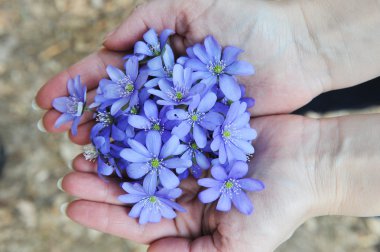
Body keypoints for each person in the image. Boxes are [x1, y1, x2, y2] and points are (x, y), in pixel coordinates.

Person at [34, 0, 380, 251]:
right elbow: (168, 131)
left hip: (200, 119)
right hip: (175, 120)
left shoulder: (208, 115)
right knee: (323, 93)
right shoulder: (159, 111)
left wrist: (304, 43)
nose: (156, 164)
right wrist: (303, 42)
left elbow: (189, 128)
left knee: (323, 91)